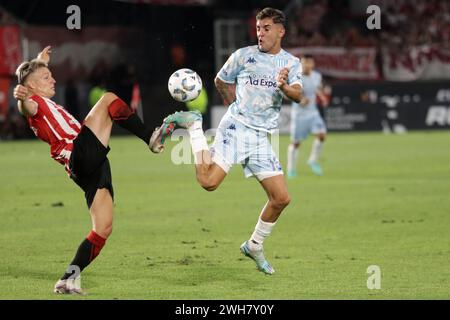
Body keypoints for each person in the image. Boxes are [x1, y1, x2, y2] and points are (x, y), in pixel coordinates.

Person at [149, 8, 302, 274]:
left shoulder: (291, 63)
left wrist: (285, 88)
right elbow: (221, 80)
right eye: (258, 28)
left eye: (266, 28)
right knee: (208, 182)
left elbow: (298, 95)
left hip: (260, 137)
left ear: (281, 31)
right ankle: (194, 125)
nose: (260, 33)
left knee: (281, 198)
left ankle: (254, 245)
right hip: (237, 127)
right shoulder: (243, 56)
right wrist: (232, 104)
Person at [13, 46, 153, 294]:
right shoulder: (33, 103)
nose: (53, 79)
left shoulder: (41, 97)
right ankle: (151, 137)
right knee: (109, 99)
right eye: (46, 77)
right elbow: (26, 106)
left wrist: (40, 61)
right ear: (31, 86)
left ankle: (67, 279)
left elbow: (32, 79)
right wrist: (21, 97)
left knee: (103, 228)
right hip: (81, 154)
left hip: (87, 168)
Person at [286, 54, 329, 178]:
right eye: (303, 62)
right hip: (299, 115)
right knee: (296, 143)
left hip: (313, 112)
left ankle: (312, 160)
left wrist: (322, 96)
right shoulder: (295, 77)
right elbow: (287, 92)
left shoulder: (317, 76)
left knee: (321, 136)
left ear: (312, 64)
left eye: (308, 62)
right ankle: (291, 169)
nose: (306, 65)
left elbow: (317, 88)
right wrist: (300, 99)